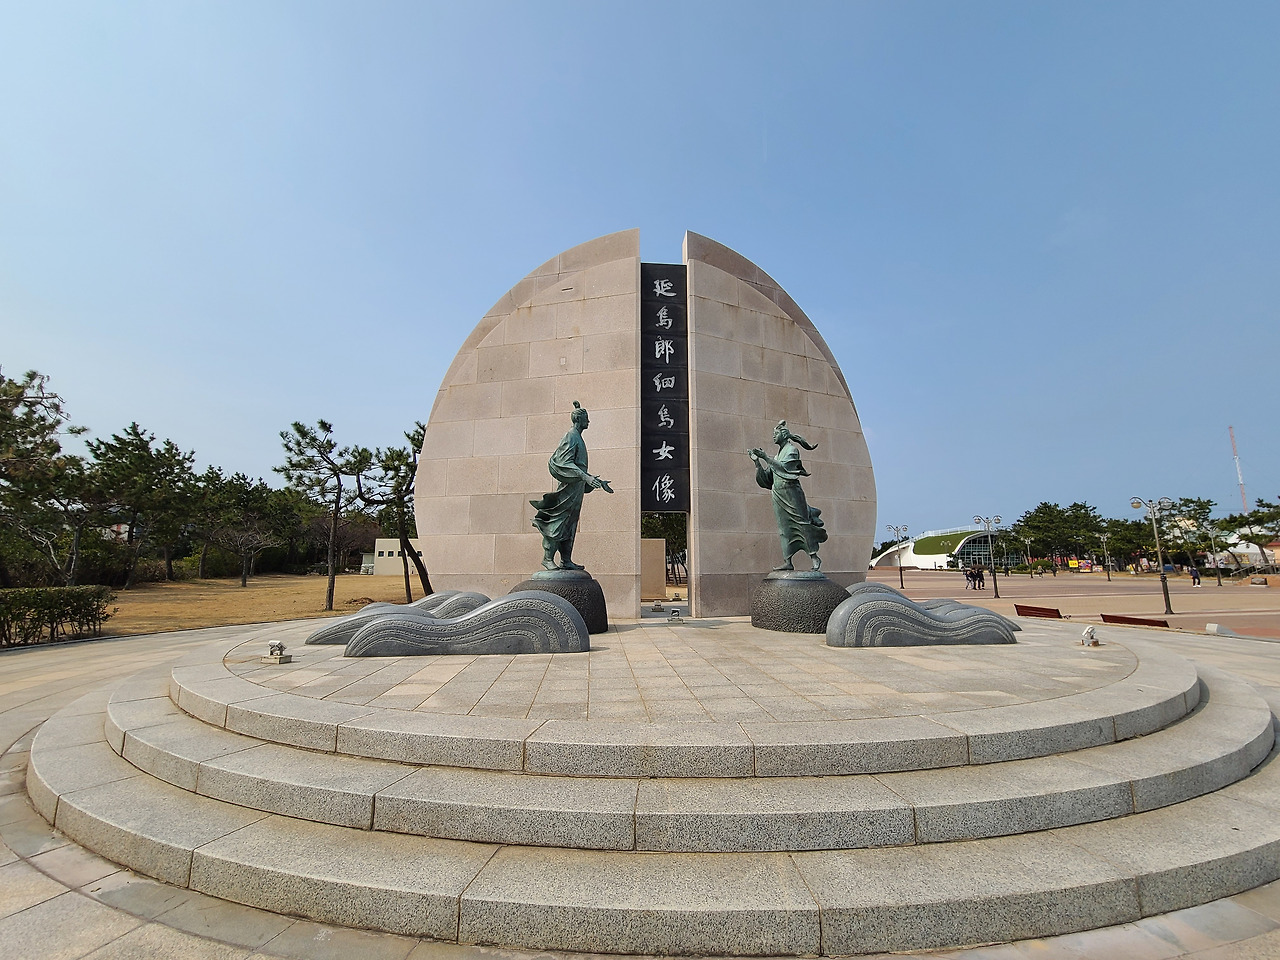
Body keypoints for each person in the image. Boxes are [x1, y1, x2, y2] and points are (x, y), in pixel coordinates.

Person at [529, 401, 613, 570]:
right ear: (578, 420)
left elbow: (578, 466)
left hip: (577, 489)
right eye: (586, 418)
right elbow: (564, 462)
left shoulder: (578, 438)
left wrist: (594, 481)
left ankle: (566, 560)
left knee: (571, 524)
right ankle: (547, 558)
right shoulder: (571, 436)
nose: (588, 421)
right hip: (567, 489)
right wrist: (585, 477)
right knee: (559, 522)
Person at [749, 421, 828, 571]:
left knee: (802, 524)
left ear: (784, 435)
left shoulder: (792, 450)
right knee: (784, 529)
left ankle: (814, 557)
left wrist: (766, 457)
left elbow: (785, 469)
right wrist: (757, 463)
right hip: (778, 495)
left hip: (792, 494)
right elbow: (767, 479)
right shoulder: (777, 455)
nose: (773, 436)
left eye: (776, 434)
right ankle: (788, 561)